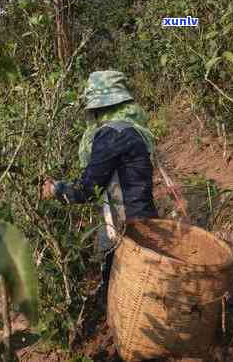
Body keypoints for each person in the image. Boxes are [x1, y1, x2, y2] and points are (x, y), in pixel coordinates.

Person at [41, 70, 158, 293]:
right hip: (144, 217)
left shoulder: (111, 134)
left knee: (122, 292)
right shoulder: (133, 129)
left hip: (125, 226)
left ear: (98, 108)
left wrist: (57, 189)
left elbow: (89, 187)